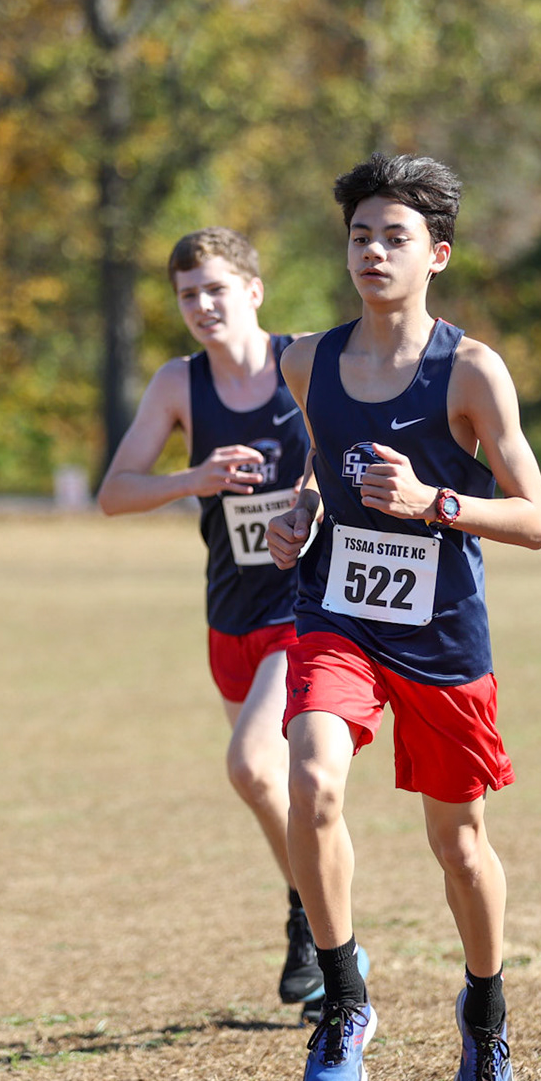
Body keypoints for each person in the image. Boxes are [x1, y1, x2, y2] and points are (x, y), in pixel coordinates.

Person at [266, 155, 541, 1081]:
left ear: (436, 253)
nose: (372, 251)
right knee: (309, 776)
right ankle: (344, 996)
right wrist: (300, 513)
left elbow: (538, 518)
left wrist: (436, 500)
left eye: (393, 236)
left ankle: (485, 1010)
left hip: (438, 632)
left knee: (458, 843)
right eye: (359, 236)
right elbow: (320, 468)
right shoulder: (308, 360)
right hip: (337, 614)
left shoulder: (469, 370)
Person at [99, 227, 362, 1022]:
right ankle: (310, 911)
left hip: (302, 606)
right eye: (187, 295)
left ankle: (330, 946)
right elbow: (115, 491)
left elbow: (346, 443)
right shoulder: (179, 385)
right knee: (270, 790)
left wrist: (309, 496)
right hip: (229, 614)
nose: (202, 306)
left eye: (216, 288)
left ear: (253, 289)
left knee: (253, 767)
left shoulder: (304, 363)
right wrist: (197, 477)